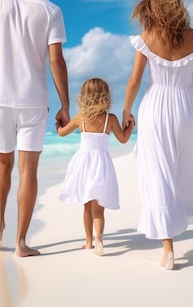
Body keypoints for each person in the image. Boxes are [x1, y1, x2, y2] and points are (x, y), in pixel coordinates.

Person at [0, 0, 70, 257]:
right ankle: (21, 243)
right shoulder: (51, 10)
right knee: (28, 172)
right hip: (33, 101)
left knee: (2, 164)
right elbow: (56, 60)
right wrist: (65, 104)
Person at [122, 0, 193, 270]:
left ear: (151, 9)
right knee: (185, 167)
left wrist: (126, 112)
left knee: (158, 173)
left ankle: (168, 248)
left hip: (155, 108)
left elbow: (135, 81)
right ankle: (184, 217)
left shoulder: (146, 38)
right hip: (187, 107)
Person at [57, 78, 135, 256]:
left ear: (84, 97)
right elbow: (123, 139)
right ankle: (99, 238)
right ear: (106, 96)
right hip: (102, 165)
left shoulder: (80, 118)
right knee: (98, 209)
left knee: (86, 206)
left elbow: (62, 133)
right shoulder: (110, 119)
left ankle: (88, 242)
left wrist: (58, 122)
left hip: (84, 165)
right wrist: (131, 126)